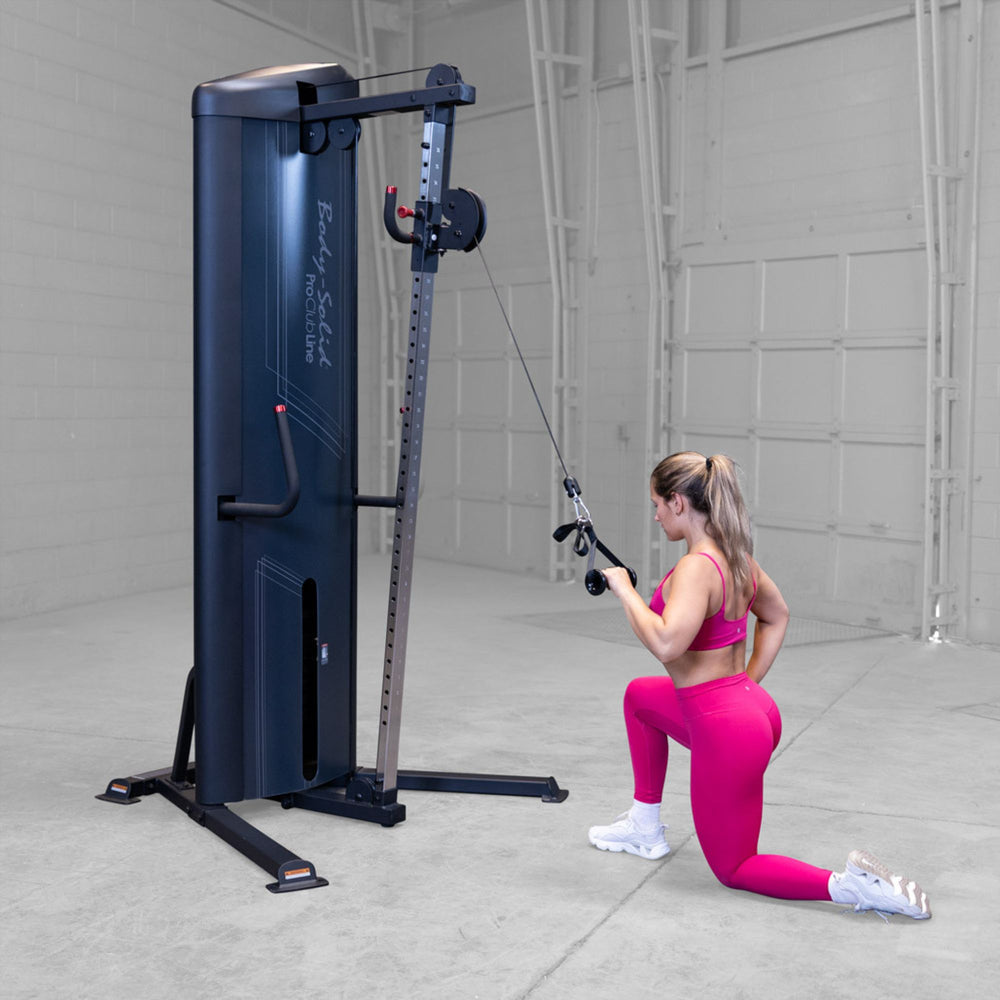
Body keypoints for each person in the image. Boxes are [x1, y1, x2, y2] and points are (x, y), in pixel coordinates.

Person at [588, 451, 931, 919]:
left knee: (736, 866)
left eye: (657, 504)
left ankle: (853, 888)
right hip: (750, 711)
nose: (655, 515)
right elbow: (777, 614)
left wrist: (624, 591)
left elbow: (668, 643)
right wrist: (742, 687)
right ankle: (644, 827)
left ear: (678, 503)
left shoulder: (694, 568)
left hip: (728, 728)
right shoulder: (737, 558)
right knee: (640, 697)